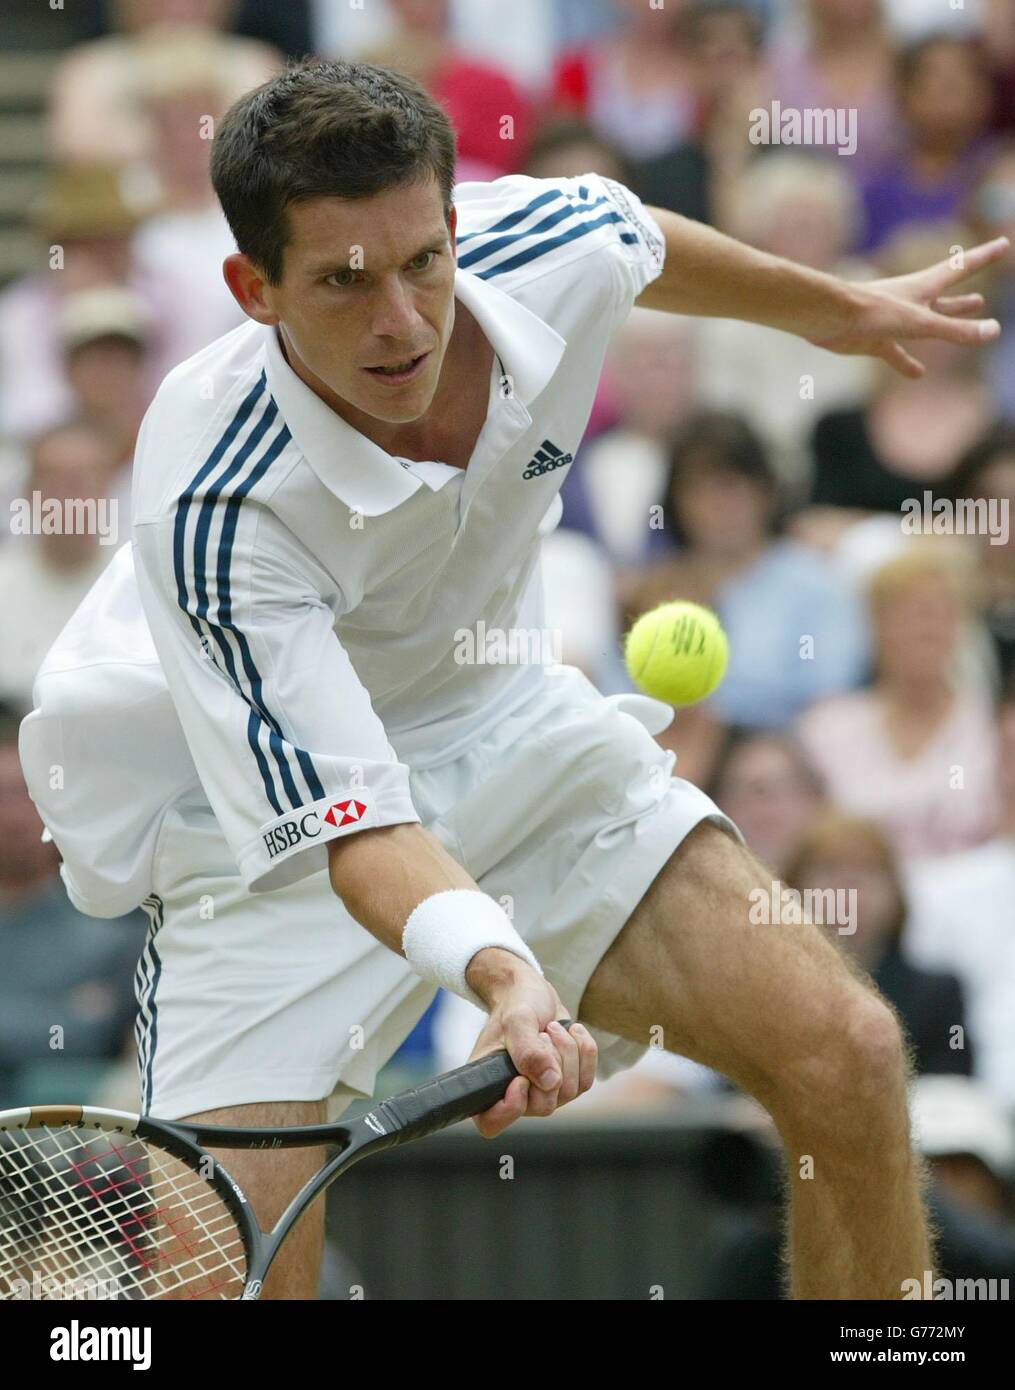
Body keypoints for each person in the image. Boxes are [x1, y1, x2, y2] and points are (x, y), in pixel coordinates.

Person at [18, 60, 1010, 1301]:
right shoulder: (214, 493)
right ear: (251, 289)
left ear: (450, 223)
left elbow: (638, 236)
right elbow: (355, 824)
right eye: (343, 281)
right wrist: (499, 968)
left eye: (424, 260)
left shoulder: (542, 236)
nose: (404, 320)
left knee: (848, 1055)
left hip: (510, 725)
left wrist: (831, 310)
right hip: (258, 844)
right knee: (228, 1280)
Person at [796, 543, 1002, 861]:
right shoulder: (825, 727)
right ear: (875, 626)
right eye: (907, 614)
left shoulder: (993, 730)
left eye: (941, 613)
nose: (925, 629)